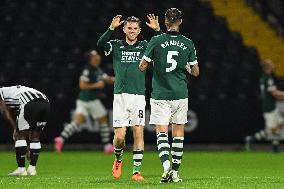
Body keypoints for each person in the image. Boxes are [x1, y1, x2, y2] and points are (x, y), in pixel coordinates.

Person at [97, 14, 161, 180]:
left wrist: (157, 30)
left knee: (138, 132)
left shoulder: (145, 45)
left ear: (139, 30)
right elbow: (100, 44)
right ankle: (118, 158)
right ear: (124, 29)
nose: (132, 31)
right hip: (120, 96)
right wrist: (111, 28)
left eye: (135, 28)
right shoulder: (117, 45)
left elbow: (161, 48)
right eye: (129, 28)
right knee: (119, 137)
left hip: (138, 96)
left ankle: (136, 171)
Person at [139, 8, 199, 183]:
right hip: (180, 92)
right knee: (178, 132)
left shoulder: (156, 41)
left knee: (161, 132)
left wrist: (153, 60)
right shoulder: (188, 43)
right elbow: (195, 72)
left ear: (165, 22)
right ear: (180, 21)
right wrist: (187, 65)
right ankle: (176, 173)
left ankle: (166, 168)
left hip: (160, 93)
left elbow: (142, 66)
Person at [54, 50, 114, 154]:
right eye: (96, 56)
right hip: (86, 100)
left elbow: (107, 79)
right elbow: (82, 85)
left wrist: (121, 79)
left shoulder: (98, 70)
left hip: (89, 100)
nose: (98, 57)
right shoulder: (87, 70)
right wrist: (97, 85)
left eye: (98, 55)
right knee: (97, 120)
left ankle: (60, 139)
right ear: (91, 59)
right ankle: (107, 146)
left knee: (83, 121)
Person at [0, 85, 50, 176]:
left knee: (20, 136)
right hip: (45, 102)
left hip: (29, 102)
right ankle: (32, 169)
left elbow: (4, 111)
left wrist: (15, 128)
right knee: (35, 136)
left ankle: (21, 169)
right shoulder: (12, 92)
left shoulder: (1, 92)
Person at [245, 59, 284, 152]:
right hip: (269, 107)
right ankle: (251, 139)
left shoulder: (264, 78)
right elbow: (274, 93)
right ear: (268, 67)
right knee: (271, 129)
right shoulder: (268, 79)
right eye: (272, 64)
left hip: (271, 106)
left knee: (280, 124)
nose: (273, 66)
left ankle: (275, 148)